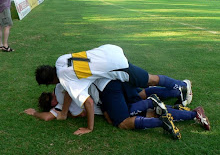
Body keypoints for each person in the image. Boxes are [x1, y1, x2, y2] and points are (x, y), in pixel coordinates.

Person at [35, 44, 192, 135]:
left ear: (50, 82)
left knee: (124, 119)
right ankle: (176, 94)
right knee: (141, 92)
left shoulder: (64, 81)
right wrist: (63, 111)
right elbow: (68, 89)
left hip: (114, 70)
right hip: (110, 53)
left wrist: (89, 128)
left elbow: (87, 103)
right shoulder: (60, 62)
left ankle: (181, 87)